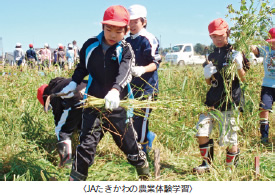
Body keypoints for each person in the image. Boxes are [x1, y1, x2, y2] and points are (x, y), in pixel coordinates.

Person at [59, 5, 149, 181]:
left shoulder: (126, 49)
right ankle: (75, 180)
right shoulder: (90, 45)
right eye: (109, 29)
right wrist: (73, 83)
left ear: (126, 30)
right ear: (102, 28)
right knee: (86, 145)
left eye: (118, 31)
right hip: (93, 102)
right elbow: (82, 67)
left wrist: (115, 91)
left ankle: (144, 173)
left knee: (129, 145)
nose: (113, 35)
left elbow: (125, 73)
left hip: (117, 105)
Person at [193, 18, 247, 173]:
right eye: (214, 36)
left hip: (230, 101)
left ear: (227, 33)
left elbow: (243, 79)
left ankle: (230, 168)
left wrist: (238, 65)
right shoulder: (210, 56)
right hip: (211, 102)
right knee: (202, 131)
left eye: (220, 35)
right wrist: (206, 75)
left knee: (230, 138)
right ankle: (207, 164)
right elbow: (209, 83)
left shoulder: (236, 52)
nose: (217, 39)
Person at [126, 4, 161, 153]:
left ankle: (142, 152)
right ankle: (147, 137)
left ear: (144, 21)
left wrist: (142, 69)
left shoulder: (148, 39)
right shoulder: (127, 40)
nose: (132, 25)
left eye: (135, 21)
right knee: (131, 120)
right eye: (130, 21)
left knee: (141, 119)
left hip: (147, 88)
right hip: (132, 87)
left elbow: (156, 62)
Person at [37, 77, 87, 167]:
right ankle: (85, 158)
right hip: (92, 92)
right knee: (83, 127)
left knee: (61, 130)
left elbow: (59, 118)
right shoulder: (65, 82)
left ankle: (66, 164)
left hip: (77, 97)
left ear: (45, 96)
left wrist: (63, 136)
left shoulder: (52, 94)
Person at [251, 27, 275, 144]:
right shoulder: (265, 50)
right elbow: (255, 49)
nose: (273, 44)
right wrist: (251, 44)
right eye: (271, 42)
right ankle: (264, 138)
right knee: (264, 109)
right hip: (267, 86)